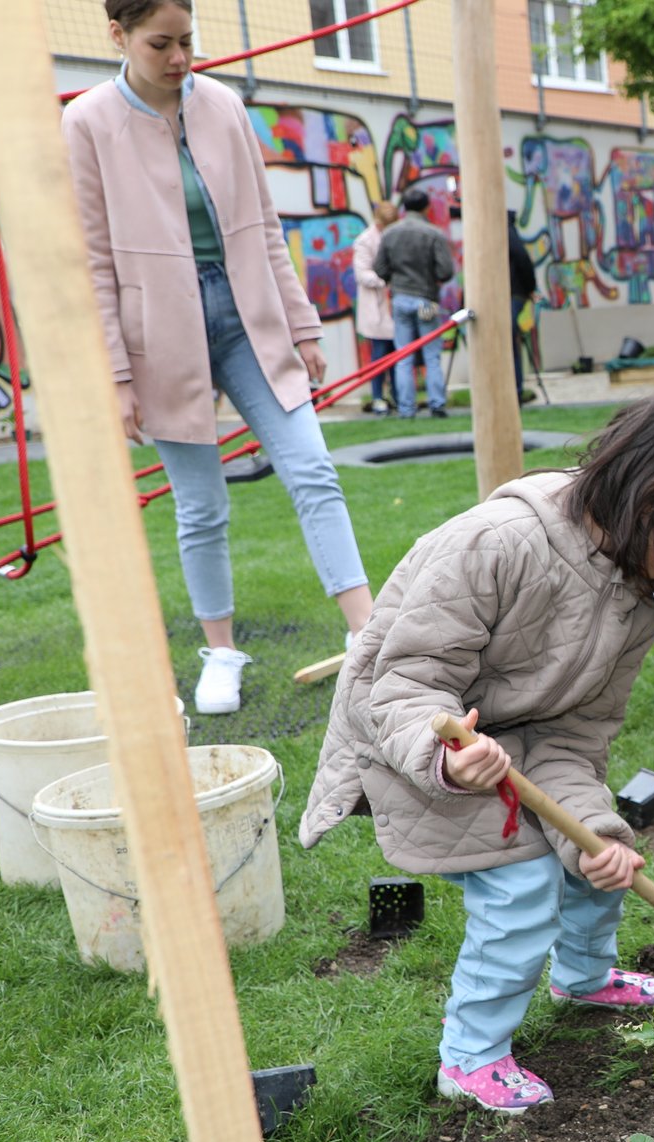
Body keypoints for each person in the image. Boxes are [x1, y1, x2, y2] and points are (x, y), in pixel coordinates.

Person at [300, 388, 654, 1114]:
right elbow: (401, 688)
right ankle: (470, 1057)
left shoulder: (633, 601)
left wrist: (597, 836)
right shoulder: (498, 546)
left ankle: (583, 974)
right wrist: (446, 758)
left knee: (593, 861)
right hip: (415, 743)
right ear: (651, 499)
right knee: (521, 891)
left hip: (516, 748)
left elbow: (574, 740)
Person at [64, 0, 373, 717]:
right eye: (159, 44)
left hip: (247, 318)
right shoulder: (86, 121)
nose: (178, 58)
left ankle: (368, 632)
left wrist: (302, 325)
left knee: (313, 467)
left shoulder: (225, 106)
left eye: (187, 41)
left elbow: (265, 225)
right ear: (118, 36)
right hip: (161, 337)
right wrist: (115, 375)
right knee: (201, 504)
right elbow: (94, 262)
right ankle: (222, 652)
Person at [376, 186, 457, 419]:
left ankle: (406, 408)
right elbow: (446, 270)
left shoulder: (390, 234)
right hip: (426, 299)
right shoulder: (434, 233)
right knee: (431, 356)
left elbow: (379, 269)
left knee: (403, 356)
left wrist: (396, 279)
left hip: (400, 298)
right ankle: (437, 404)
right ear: (426, 207)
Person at [352, 200, 401, 415]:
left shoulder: (395, 235)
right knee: (380, 355)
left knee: (398, 354)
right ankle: (378, 397)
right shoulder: (365, 241)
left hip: (393, 304)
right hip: (377, 304)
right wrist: (386, 281)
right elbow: (362, 274)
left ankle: (399, 396)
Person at [508, 210, 540, 405]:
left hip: (510, 294)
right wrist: (529, 288)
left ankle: (516, 390)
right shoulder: (509, 233)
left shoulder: (505, 234)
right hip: (513, 293)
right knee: (510, 343)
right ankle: (515, 389)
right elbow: (523, 260)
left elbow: (522, 260)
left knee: (509, 342)